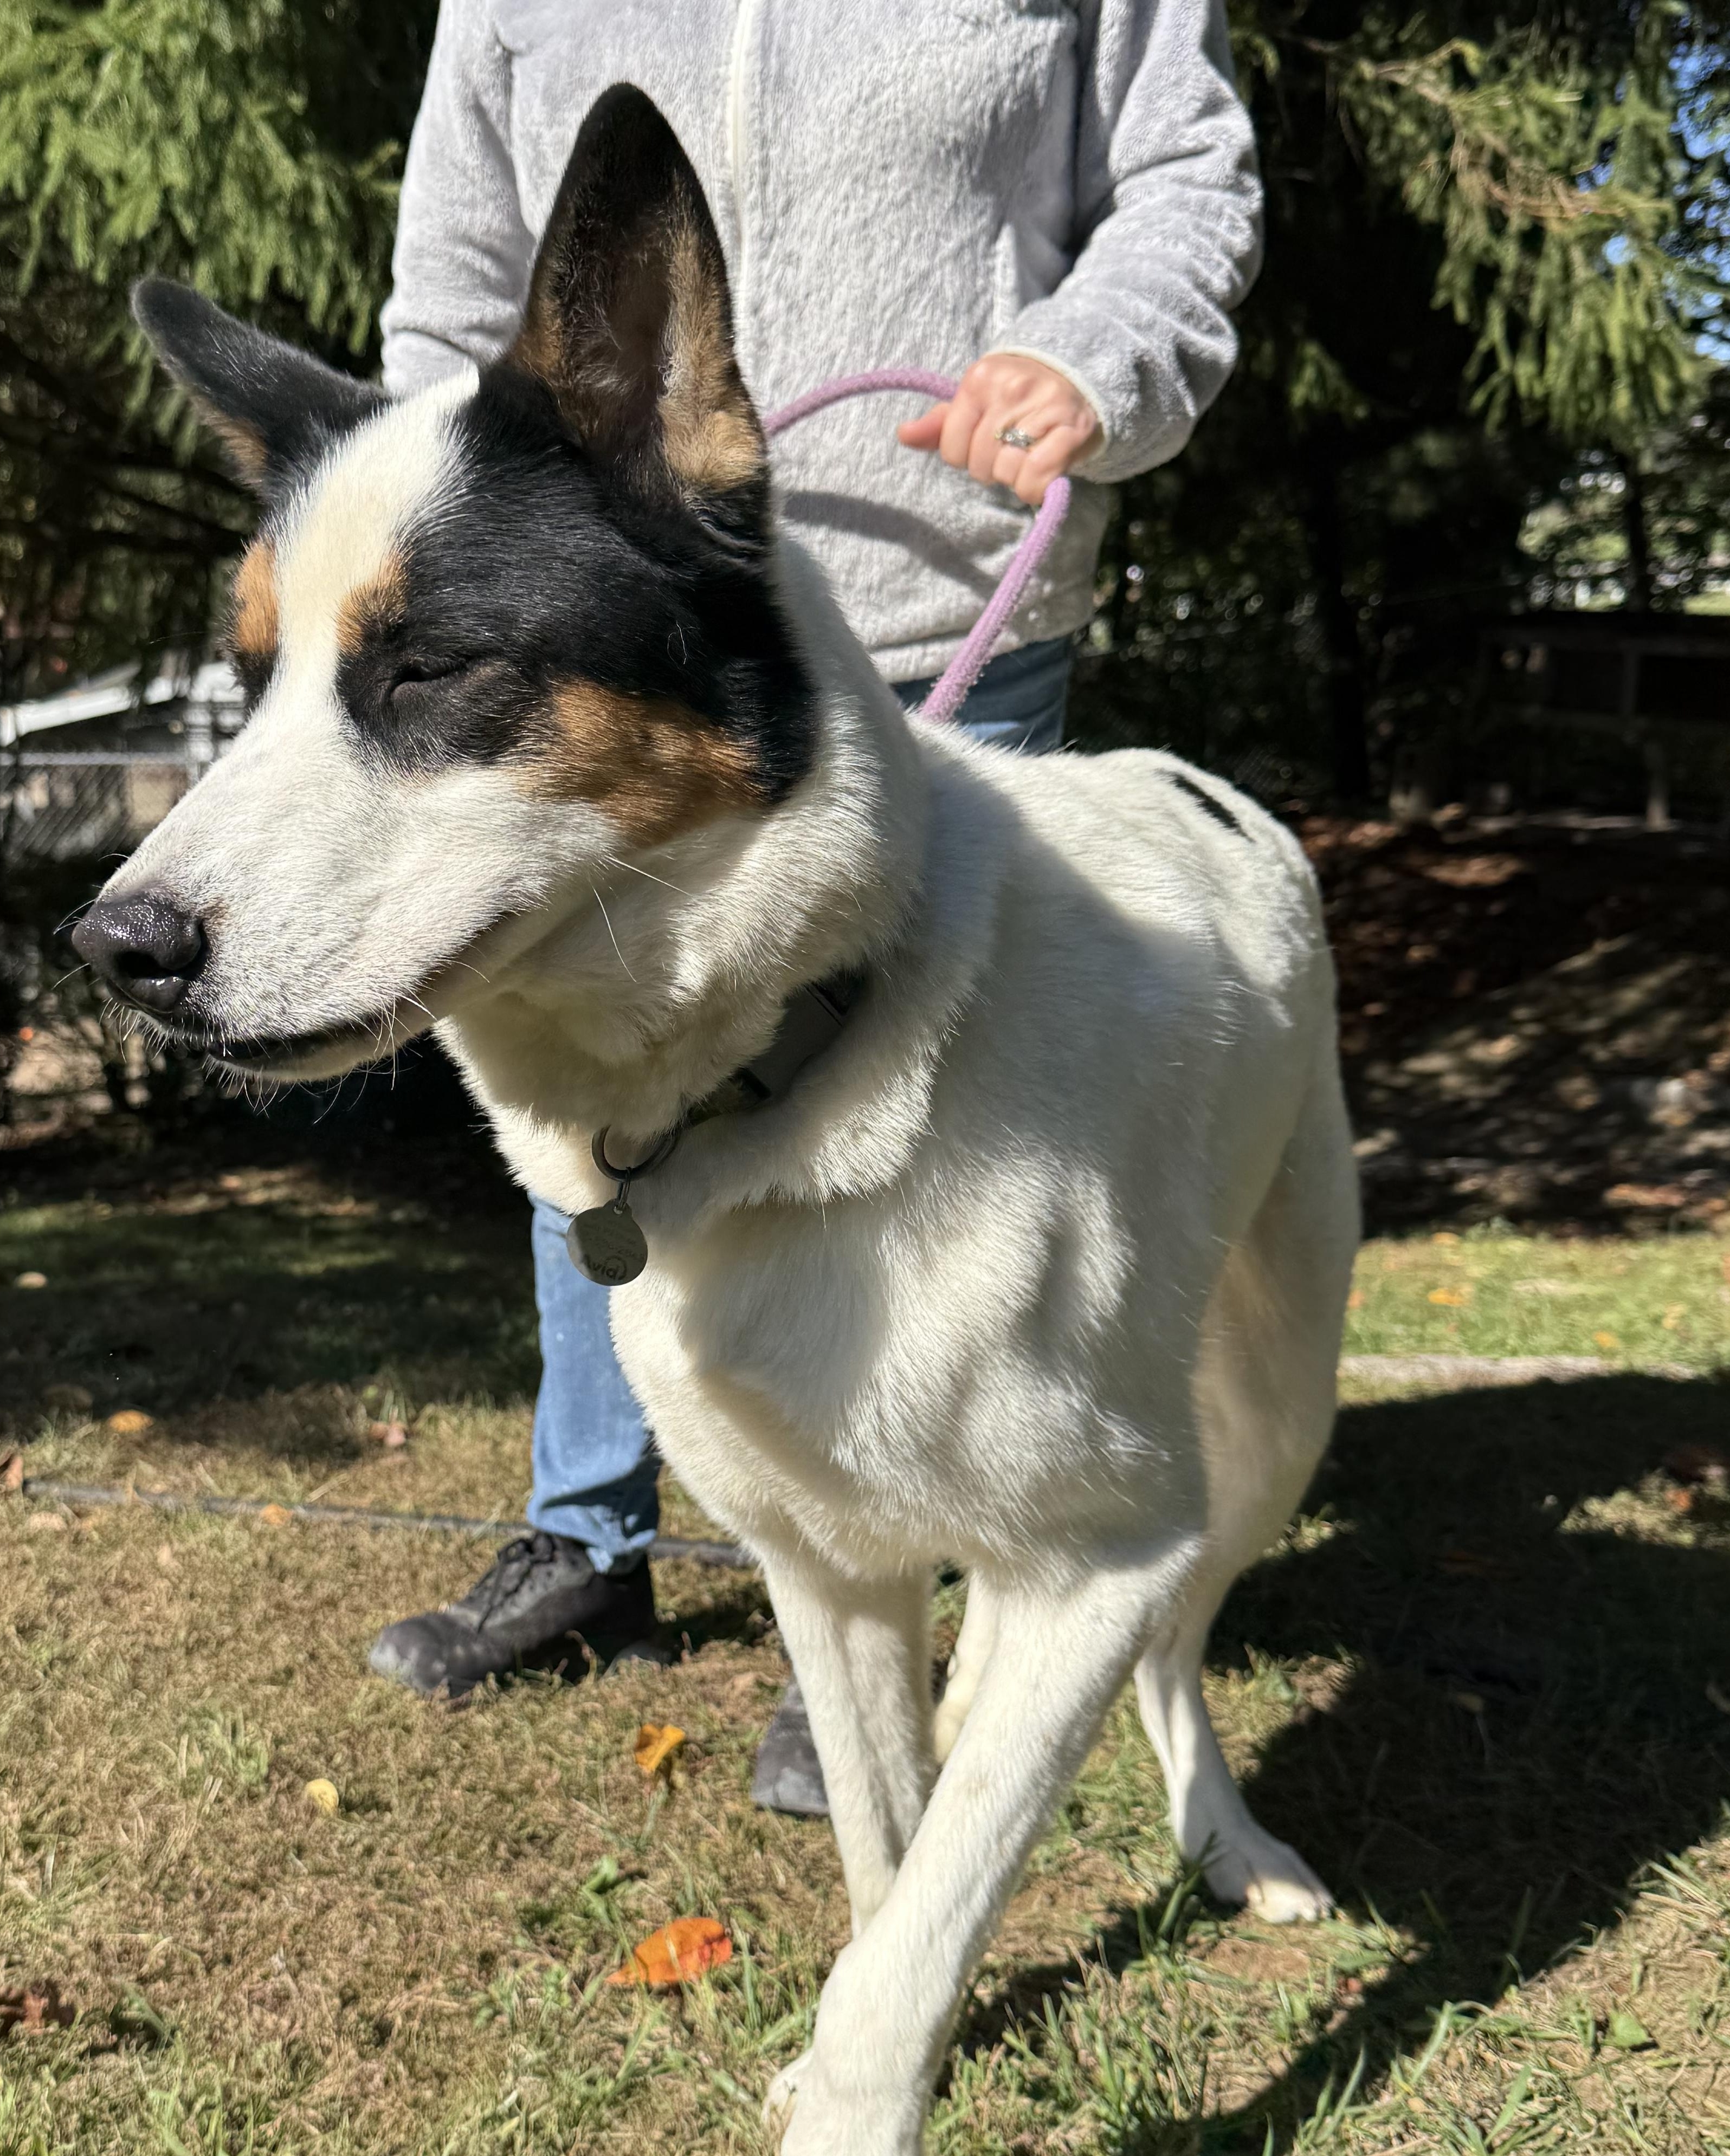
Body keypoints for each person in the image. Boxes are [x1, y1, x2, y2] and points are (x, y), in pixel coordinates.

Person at [364, 0, 1263, 1814]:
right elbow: (449, 295)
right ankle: (590, 1534)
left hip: (944, 619)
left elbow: (1188, 172)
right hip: (612, 658)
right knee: (585, 1085)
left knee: (918, 1158)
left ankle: (876, 1588)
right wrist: (451, 593)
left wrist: (1098, 353)